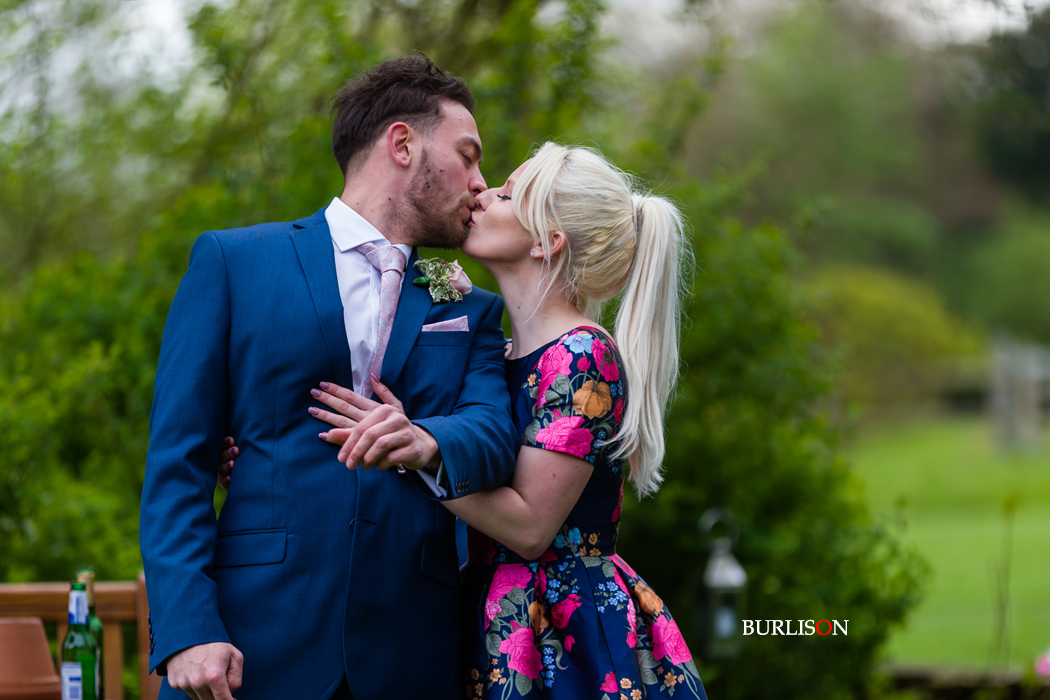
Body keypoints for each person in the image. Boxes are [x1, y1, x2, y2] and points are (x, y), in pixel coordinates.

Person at [139, 57, 517, 700]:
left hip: (411, 653)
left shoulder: (469, 307)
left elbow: (494, 436)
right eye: (468, 156)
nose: (481, 184)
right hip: (254, 645)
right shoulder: (233, 263)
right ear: (402, 144)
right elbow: (179, 461)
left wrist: (424, 439)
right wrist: (187, 630)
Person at [300, 142, 707, 698]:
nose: (482, 193)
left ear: (546, 241)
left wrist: (414, 452)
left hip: (562, 635)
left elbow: (530, 529)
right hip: (484, 606)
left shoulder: (581, 355)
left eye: (508, 195)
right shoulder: (499, 349)